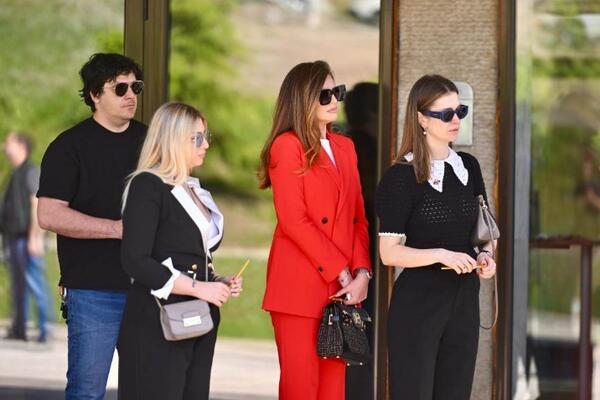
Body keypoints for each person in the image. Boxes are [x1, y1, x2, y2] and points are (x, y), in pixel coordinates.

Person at [375, 74, 497, 400]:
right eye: (445, 114)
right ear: (421, 119)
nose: (455, 120)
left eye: (460, 111)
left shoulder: (468, 167)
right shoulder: (401, 177)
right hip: (419, 303)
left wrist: (486, 256)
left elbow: (484, 232)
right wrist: (441, 254)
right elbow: (389, 253)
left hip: (464, 301)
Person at [257, 60, 372, 400]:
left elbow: (358, 218)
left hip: (342, 289)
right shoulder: (287, 145)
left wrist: (362, 273)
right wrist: (341, 271)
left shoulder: (345, 147)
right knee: (300, 388)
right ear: (302, 98)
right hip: (300, 287)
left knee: (333, 390)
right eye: (324, 95)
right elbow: (294, 220)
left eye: (337, 92)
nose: (334, 100)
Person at [36, 53, 146, 399]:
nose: (130, 95)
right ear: (95, 95)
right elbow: (49, 215)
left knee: (149, 389)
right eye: (120, 88)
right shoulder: (68, 147)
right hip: (93, 290)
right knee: (86, 391)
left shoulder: (152, 142)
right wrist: (116, 228)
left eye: (136, 87)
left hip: (150, 286)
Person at [118, 102, 242, 399]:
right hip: (158, 321)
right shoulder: (147, 185)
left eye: (205, 136)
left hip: (197, 318)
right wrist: (200, 288)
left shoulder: (192, 188)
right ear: (173, 139)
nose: (206, 144)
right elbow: (135, 260)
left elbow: (187, 255)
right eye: (197, 138)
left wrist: (216, 281)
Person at [343, 82, 378, 400]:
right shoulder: (361, 147)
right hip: (362, 245)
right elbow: (366, 200)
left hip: (359, 244)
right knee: (359, 328)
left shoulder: (347, 142)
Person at [1, 132, 50, 342]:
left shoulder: (30, 171)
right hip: (14, 239)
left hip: (26, 239)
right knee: (19, 287)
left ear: (21, 146)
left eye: (9, 142)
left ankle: (45, 328)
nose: (4, 146)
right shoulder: (15, 173)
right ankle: (19, 328)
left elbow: (37, 203)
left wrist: (34, 237)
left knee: (35, 283)